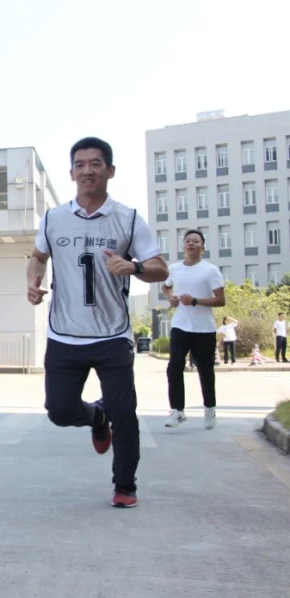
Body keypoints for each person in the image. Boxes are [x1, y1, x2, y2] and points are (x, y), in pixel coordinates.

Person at [26, 137, 168, 508]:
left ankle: (125, 486)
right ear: (72, 172)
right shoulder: (53, 219)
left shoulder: (128, 218)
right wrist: (33, 282)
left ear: (110, 170)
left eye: (95, 164)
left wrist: (133, 266)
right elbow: (38, 256)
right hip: (65, 334)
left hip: (112, 335)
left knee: (126, 413)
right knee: (59, 411)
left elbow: (160, 268)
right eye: (80, 164)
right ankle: (96, 416)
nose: (87, 170)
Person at [162, 230, 224, 430]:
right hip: (180, 325)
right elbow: (166, 286)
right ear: (183, 246)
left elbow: (220, 300)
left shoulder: (210, 270)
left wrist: (195, 301)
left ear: (202, 247)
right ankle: (177, 411)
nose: (191, 243)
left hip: (203, 328)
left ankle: (210, 408)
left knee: (205, 370)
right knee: (174, 366)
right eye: (187, 241)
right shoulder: (174, 268)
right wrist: (170, 297)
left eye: (195, 241)